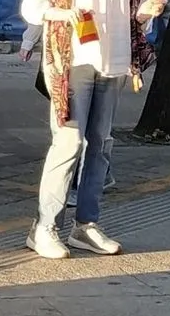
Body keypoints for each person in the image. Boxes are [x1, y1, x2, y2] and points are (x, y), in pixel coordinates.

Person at [21, 0, 167, 260]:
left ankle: (85, 225)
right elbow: (31, 6)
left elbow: (134, 12)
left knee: (100, 146)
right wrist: (64, 13)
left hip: (115, 62)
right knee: (69, 143)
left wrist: (146, 12)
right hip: (72, 62)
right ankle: (44, 227)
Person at [18, 23, 115, 204]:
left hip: (88, 58)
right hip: (67, 54)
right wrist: (29, 40)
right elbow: (44, 4)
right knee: (78, 125)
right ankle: (98, 173)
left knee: (75, 128)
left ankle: (75, 185)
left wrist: (29, 40)